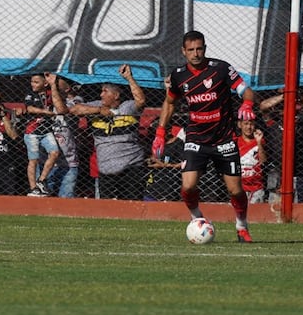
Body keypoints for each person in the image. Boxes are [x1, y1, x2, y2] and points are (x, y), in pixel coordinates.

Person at [152, 30, 257, 242]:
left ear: (205, 49)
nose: (196, 53)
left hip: (224, 140)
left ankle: (241, 225)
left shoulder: (221, 69)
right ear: (184, 51)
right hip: (195, 139)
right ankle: (197, 219)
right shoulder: (178, 76)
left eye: (199, 48)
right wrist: (161, 132)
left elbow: (246, 90)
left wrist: (247, 102)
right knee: (188, 186)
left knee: (235, 190)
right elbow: (170, 103)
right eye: (191, 50)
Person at [70, 65, 146, 200]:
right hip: (106, 168)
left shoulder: (127, 107)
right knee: (107, 207)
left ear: (116, 95)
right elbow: (74, 109)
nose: (101, 95)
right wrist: (99, 111)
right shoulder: (97, 105)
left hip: (131, 166)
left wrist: (129, 78)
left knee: (132, 205)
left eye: (105, 91)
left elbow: (140, 100)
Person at [19, 73, 61, 197]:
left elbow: (58, 102)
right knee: (33, 160)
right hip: (32, 131)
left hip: (47, 131)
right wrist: (44, 112)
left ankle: (41, 180)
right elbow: (30, 108)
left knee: (54, 153)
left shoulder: (49, 94)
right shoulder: (30, 94)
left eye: (36, 82)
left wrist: (53, 85)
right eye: (32, 81)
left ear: (45, 83)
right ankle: (33, 188)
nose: (33, 84)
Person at [45, 73, 83, 198]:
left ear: (67, 87)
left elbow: (62, 110)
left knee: (66, 197)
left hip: (68, 162)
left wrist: (52, 86)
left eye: (57, 80)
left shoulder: (77, 101)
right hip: (48, 161)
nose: (53, 81)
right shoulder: (46, 100)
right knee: (45, 196)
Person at [234, 116, 266, 204]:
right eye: (246, 124)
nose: (249, 127)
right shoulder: (235, 142)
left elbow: (263, 161)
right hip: (239, 186)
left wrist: (259, 142)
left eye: (251, 124)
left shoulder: (259, 141)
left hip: (256, 186)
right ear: (239, 125)